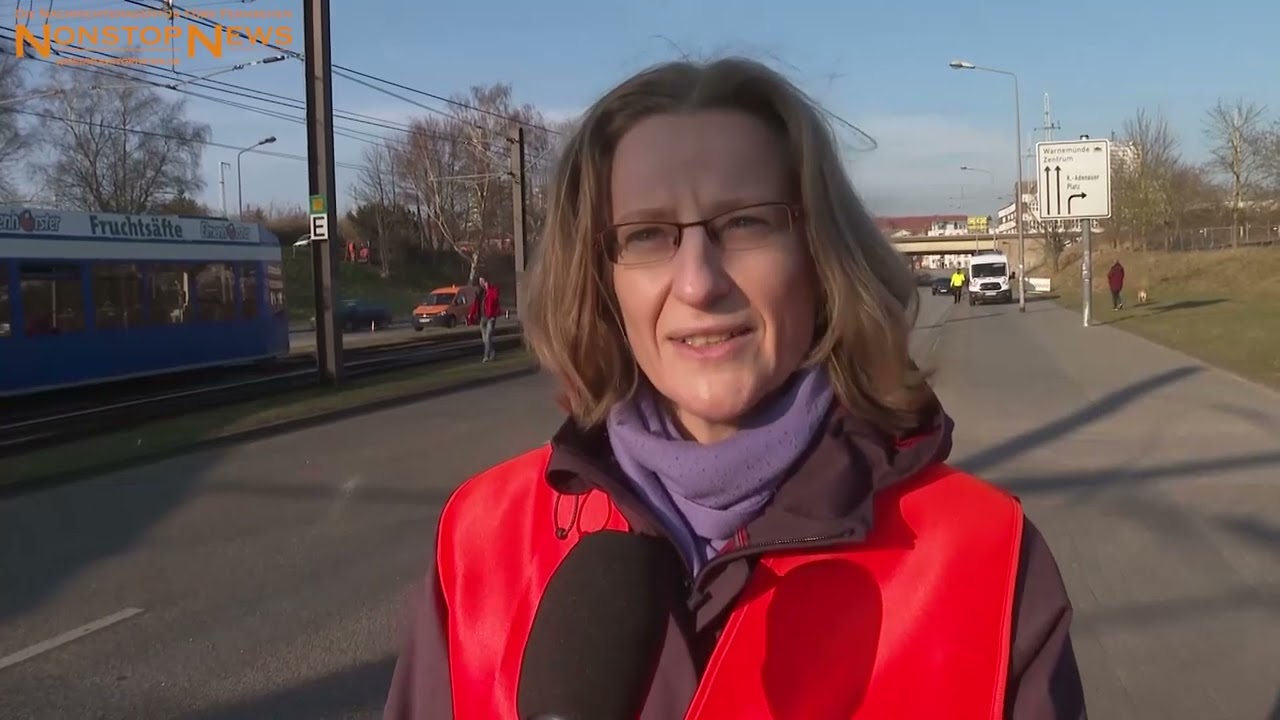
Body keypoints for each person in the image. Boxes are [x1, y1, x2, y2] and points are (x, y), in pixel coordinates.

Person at [384, 57, 1086, 719]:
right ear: (601, 280)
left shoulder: (987, 561)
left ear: (820, 258)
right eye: (647, 235)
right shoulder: (480, 542)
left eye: (746, 222)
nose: (698, 283)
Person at [466, 277, 500, 361]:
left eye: (483, 281)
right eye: (480, 281)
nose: (481, 283)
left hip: (490, 318)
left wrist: (488, 289)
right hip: (482, 319)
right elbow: (475, 305)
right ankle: (492, 353)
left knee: (488, 338)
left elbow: (495, 298)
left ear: (486, 281)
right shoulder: (480, 292)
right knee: (485, 340)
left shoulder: (493, 290)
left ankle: (486, 356)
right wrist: (470, 316)